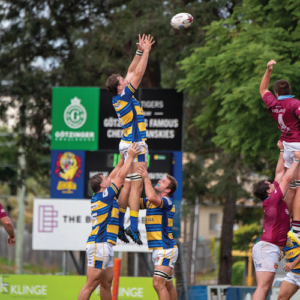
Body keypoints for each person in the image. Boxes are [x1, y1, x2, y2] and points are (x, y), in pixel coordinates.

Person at [106, 34, 155, 245]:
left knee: (127, 187)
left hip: (126, 141)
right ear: (120, 87)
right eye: (123, 82)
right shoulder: (125, 94)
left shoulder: (119, 96)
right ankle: (133, 227)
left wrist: (138, 51)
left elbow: (131, 70)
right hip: (135, 143)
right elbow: (139, 72)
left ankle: (118, 224)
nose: (126, 80)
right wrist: (147, 52)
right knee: (136, 188)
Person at [78, 143, 141, 300]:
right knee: (91, 284)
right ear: (102, 185)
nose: (109, 178)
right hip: (100, 244)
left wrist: (121, 161)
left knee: (106, 283)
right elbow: (119, 178)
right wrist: (131, 156)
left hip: (106, 245)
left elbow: (114, 176)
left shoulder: (103, 195)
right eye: (106, 179)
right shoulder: (105, 196)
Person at [252, 142, 300, 300]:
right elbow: (286, 179)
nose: (274, 184)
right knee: (263, 287)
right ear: (268, 191)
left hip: (270, 248)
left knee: (266, 288)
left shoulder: (274, 198)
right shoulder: (273, 199)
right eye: (270, 184)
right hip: (268, 247)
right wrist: (296, 160)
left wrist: (281, 151)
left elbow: (280, 173)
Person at [260, 60, 300, 243]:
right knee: (298, 186)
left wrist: (268, 70)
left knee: (292, 186)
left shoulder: (272, 103)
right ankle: (297, 228)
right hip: (298, 144)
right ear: (289, 90)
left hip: (287, 146)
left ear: (276, 93)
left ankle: (293, 223)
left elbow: (262, 89)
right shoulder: (294, 103)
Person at [137, 166, 178, 300]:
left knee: (157, 284)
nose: (160, 180)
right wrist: (129, 185)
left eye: (164, 181)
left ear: (167, 190)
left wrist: (146, 178)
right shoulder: (150, 202)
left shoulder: (167, 201)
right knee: (168, 285)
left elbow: (151, 197)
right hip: (160, 249)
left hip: (165, 249)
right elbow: (134, 203)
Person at [277, 222, 300, 300]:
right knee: (281, 297)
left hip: (295, 267)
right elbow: (286, 250)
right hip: (294, 273)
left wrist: (293, 263)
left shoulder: (296, 230)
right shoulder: (281, 232)